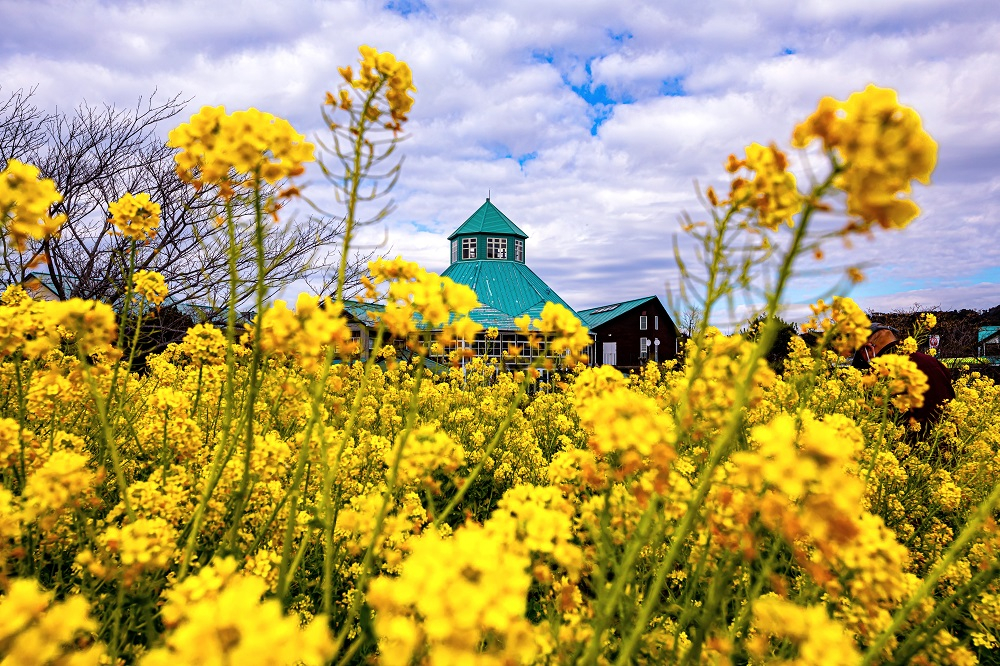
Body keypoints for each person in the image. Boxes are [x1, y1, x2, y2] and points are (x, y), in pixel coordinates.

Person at [851, 323, 955, 428]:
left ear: (868, 349)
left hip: (905, 441)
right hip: (947, 439)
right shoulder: (934, 362)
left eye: (861, 356)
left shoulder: (879, 373)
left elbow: (872, 419)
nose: (866, 362)